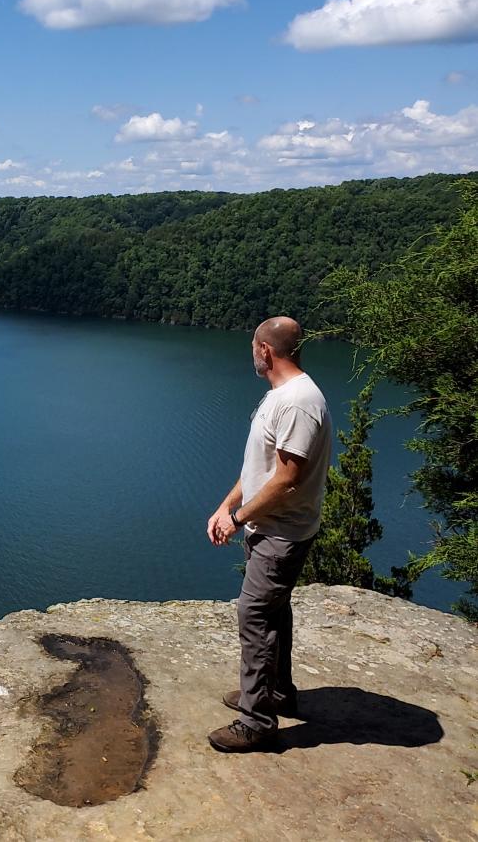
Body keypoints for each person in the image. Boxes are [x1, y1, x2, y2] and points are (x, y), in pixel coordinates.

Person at [205, 316, 332, 753]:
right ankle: (275, 693)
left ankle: (257, 721)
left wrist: (238, 518)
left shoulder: (296, 403)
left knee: (254, 615)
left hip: (282, 533)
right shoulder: (283, 395)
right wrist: (226, 505)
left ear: (265, 351)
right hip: (274, 526)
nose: (252, 354)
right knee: (275, 612)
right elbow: (259, 469)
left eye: (253, 346)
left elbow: (287, 479)